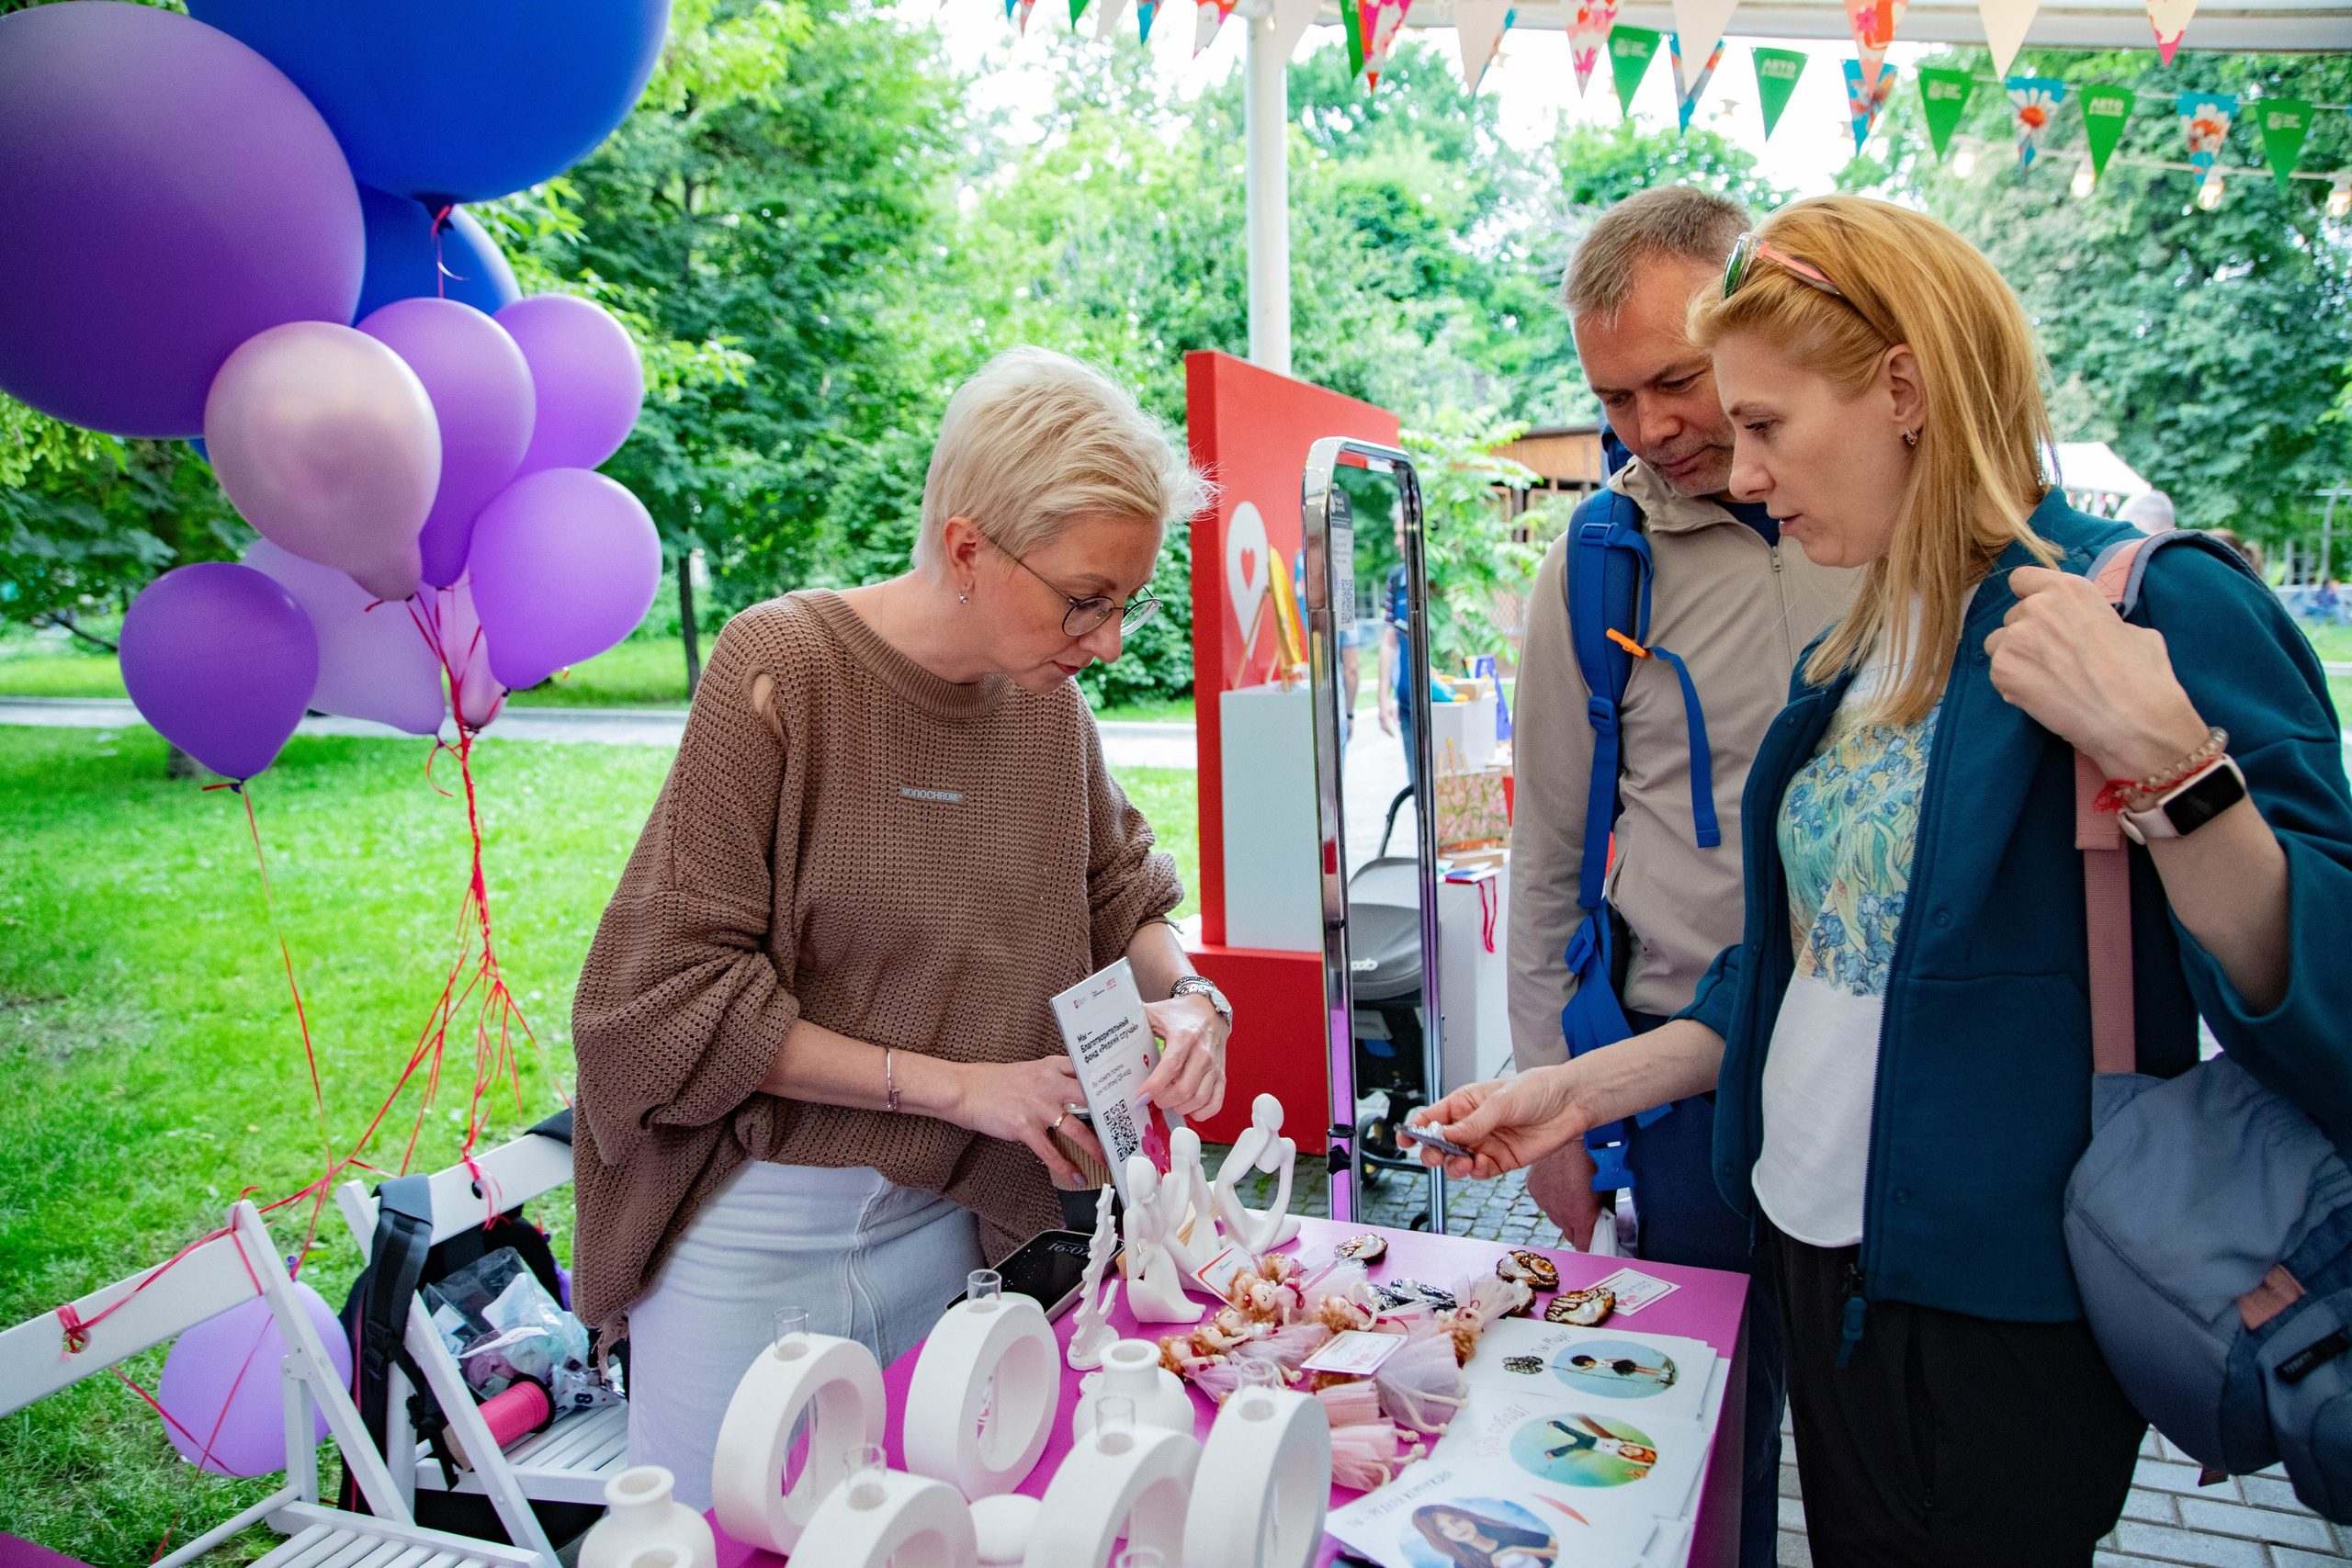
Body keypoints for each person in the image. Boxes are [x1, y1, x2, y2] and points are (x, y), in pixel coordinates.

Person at [1418, 196, 2352, 1562]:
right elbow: (1799, 974)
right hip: (1811, 1252)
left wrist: (2174, 767)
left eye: (1766, 425)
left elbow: (2318, 982)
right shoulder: (1860, 653)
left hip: (1995, 1306)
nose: (1739, 473)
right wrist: (1574, 1086)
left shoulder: (2150, 604)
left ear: (1903, 388)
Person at [569, 347, 1236, 1509]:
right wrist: (961, 1087)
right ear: (970, 549)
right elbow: (669, 1001)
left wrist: (1188, 998)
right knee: (726, 1527)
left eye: (1128, 602)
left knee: (920, 1526)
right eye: (1087, 597)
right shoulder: (782, 670)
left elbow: (1120, 901)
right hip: (751, 1225)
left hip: (946, 1229)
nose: (1112, 639)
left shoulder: (1050, 707)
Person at [1507, 185, 1858, 1565]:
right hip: (1677, 1084)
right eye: (1616, 395)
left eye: (1676, 376)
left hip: (1872, 1070)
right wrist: (1555, 1114)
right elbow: (1547, 862)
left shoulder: (1887, 524)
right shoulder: (1597, 569)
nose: (1653, 426)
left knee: (1875, 1439)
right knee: (1699, 1454)